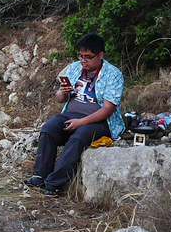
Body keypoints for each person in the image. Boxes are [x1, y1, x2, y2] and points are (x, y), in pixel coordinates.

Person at [24, 33, 124, 197]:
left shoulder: (113, 74)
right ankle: (40, 175)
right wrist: (62, 92)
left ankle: (54, 183)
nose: (83, 60)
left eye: (88, 57)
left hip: (99, 121)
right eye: (80, 56)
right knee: (48, 129)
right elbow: (60, 98)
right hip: (70, 114)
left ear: (100, 55)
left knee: (79, 137)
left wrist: (81, 122)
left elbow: (108, 109)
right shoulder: (74, 68)